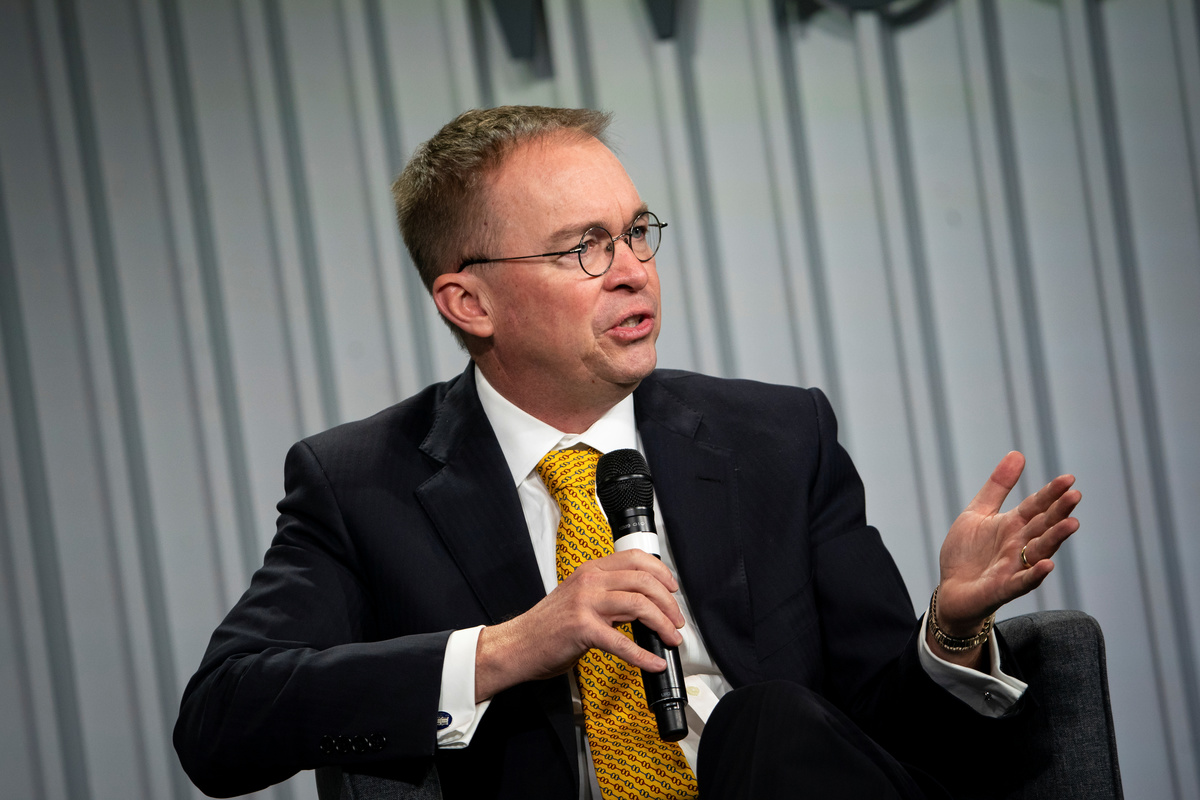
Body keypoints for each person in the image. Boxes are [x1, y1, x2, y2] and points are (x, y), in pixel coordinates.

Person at [174, 106, 1080, 799]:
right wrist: (509, 647)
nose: (633, 270)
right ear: (470, 303)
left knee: (764, 724)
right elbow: (220, 724)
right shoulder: (363, 484)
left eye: (637, 232)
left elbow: (883, 734)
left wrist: (951, 628)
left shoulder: (777, 437)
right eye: (585, 248)